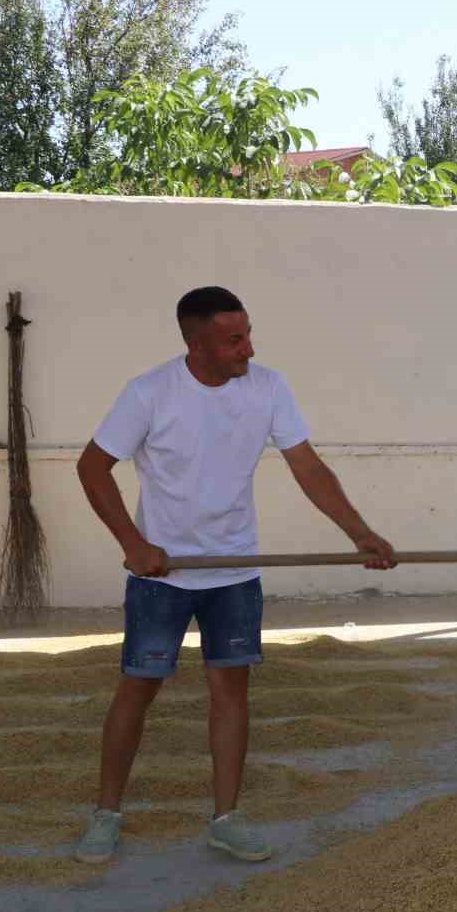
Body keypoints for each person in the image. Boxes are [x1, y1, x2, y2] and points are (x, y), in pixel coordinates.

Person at [72, 286, 396, 864]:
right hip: (162, 575)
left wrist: (359, 532)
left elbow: (308, 467)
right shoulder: (149, 393)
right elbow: (93, 467)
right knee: (138, 689)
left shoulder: (269, 387)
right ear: (197, 344)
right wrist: (133, 542)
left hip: (235, 570)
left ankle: (226, 817)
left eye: (248, 333)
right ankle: (106, 814)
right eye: (234, 339)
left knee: (231, 691)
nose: (249, 348)